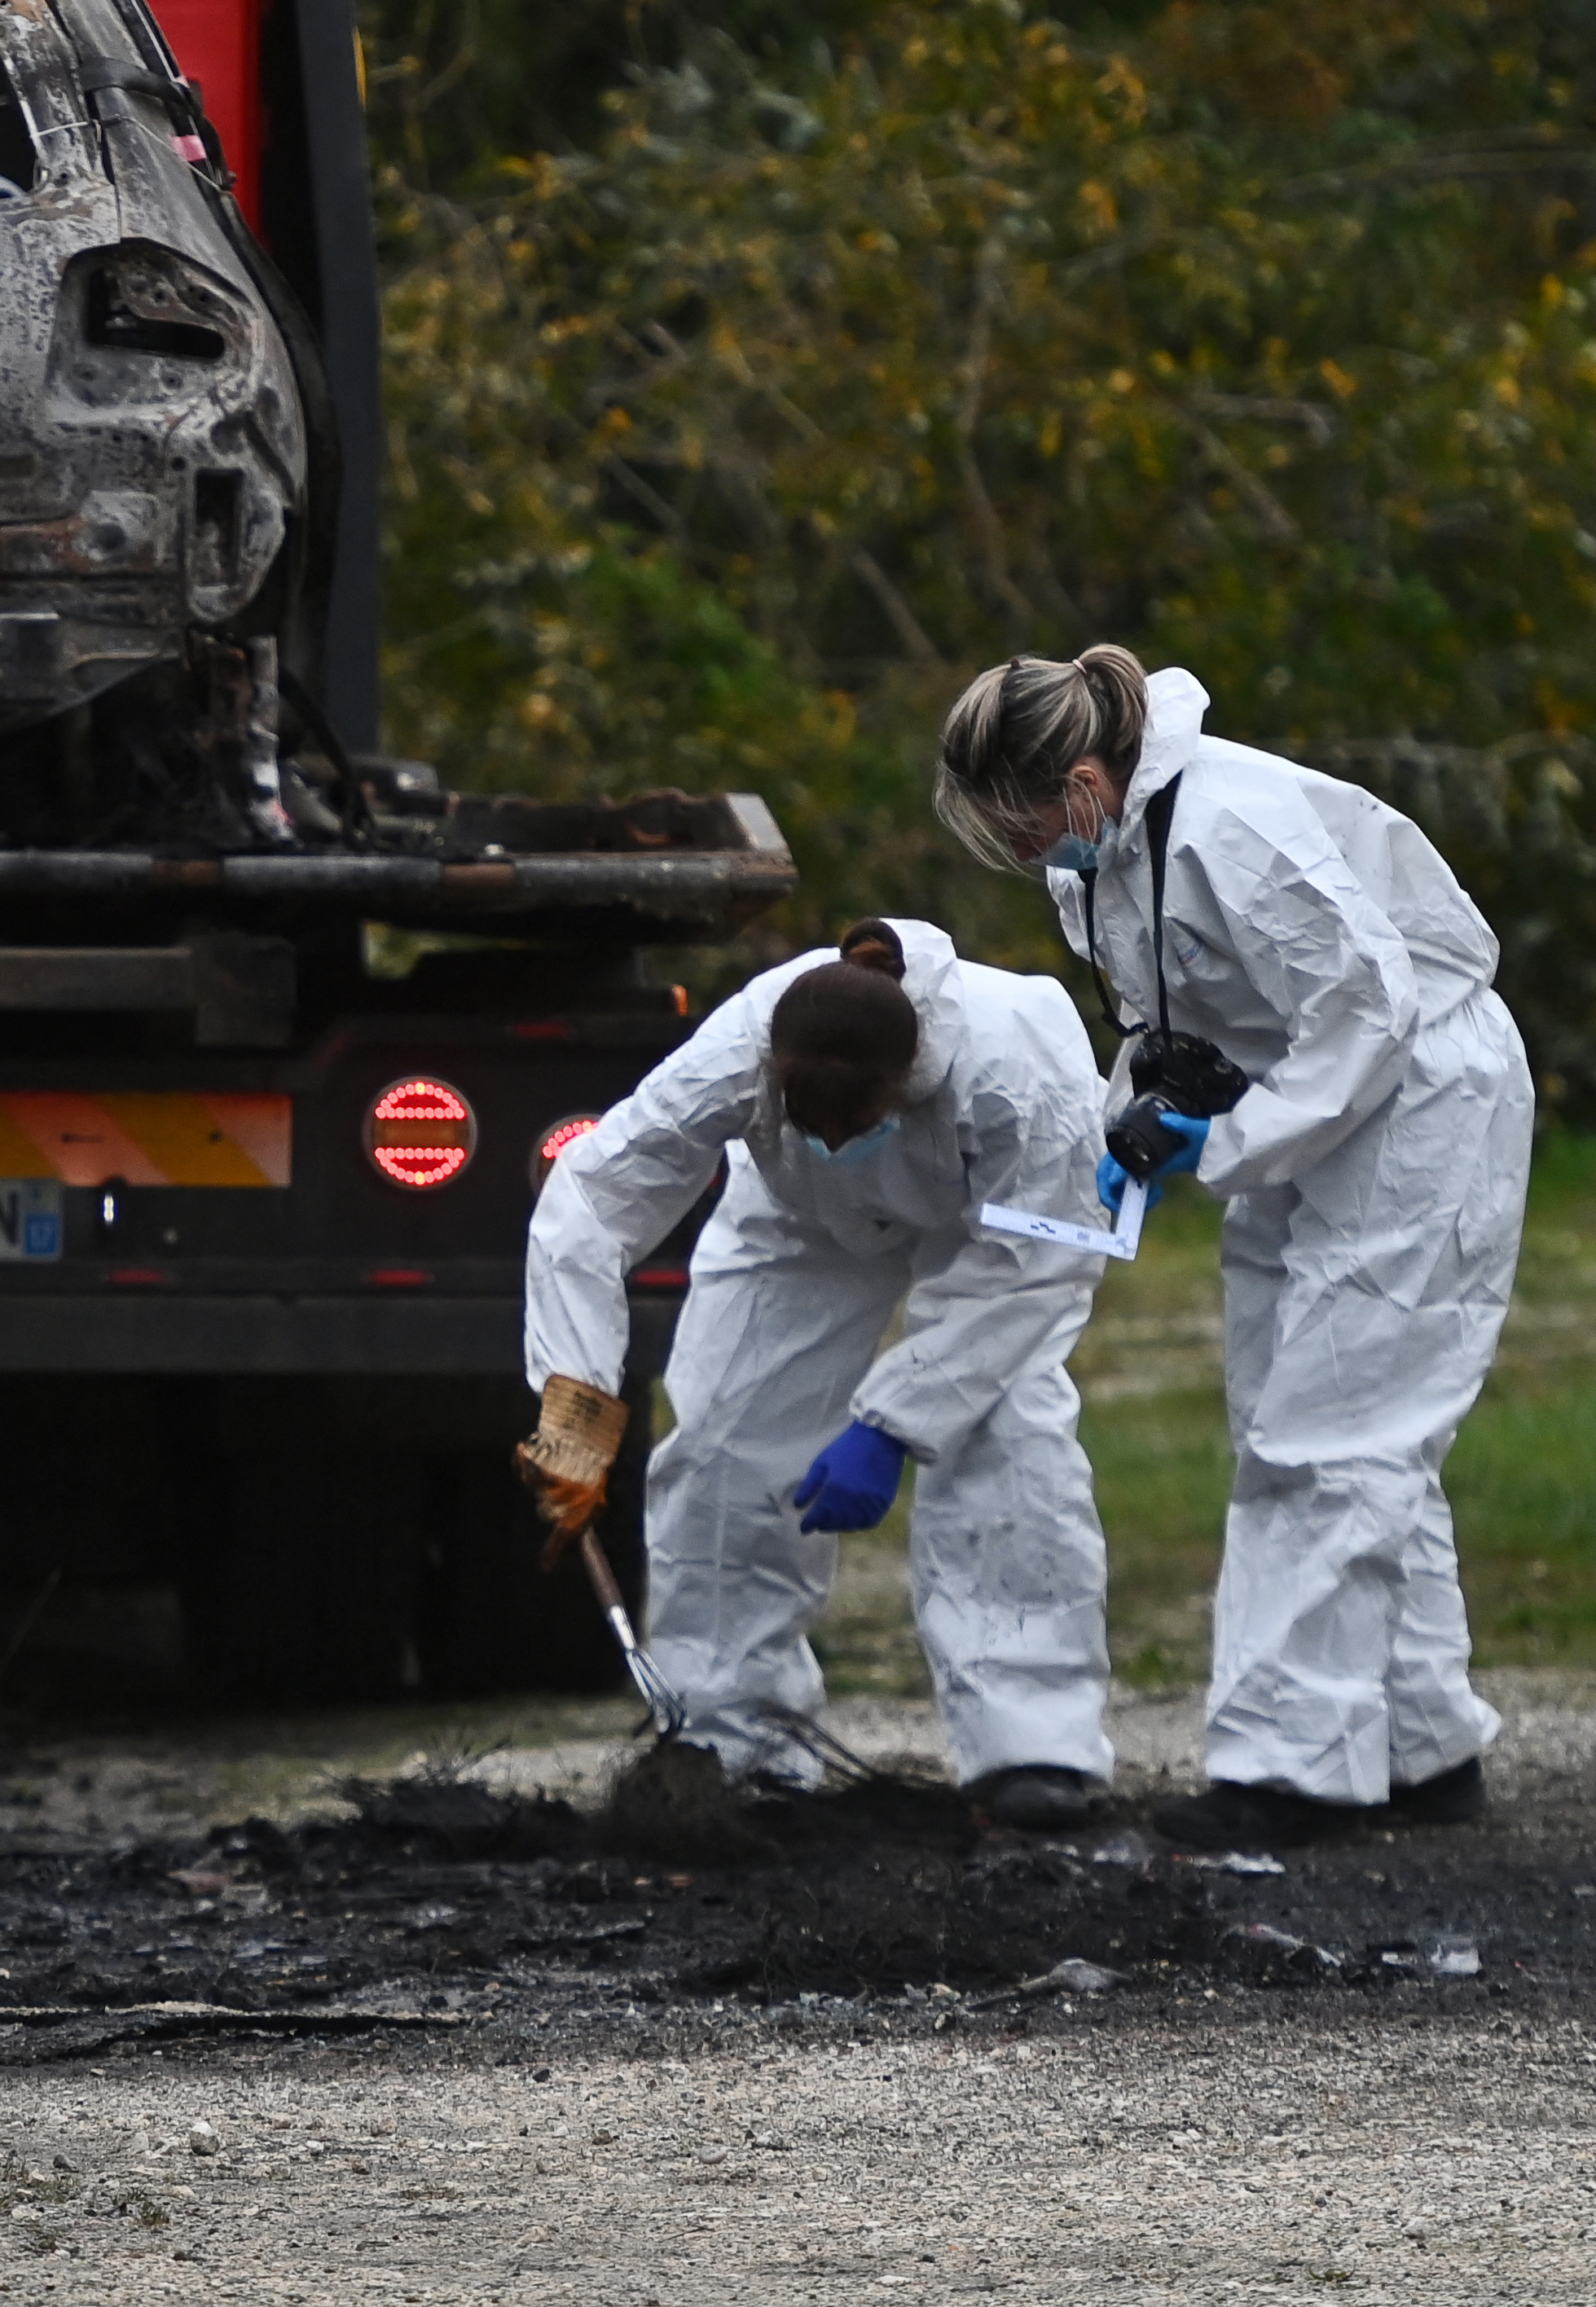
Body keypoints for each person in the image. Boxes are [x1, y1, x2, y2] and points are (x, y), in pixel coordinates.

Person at [933, 645, 1533, 1849]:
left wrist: (1225, 1143)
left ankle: (1287, 1772)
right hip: (1300, 1106)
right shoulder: (1105, 856)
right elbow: (1169, 1012)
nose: (1022, 855)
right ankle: (1421, 1749)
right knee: (1295, 1417)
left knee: (1337, 1429)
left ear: (1088, 781)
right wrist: (1138, 1119)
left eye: (1026, 826)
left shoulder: (1234, 828)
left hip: (1414, 1101)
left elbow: (1371, 1012)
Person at [517, 920, 1123, 1826]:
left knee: (1008, 1440)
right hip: (797, 1223)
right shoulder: (743, 1044)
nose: (839, 1141)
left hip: (986, 1231)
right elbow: (594, 1200)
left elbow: (1038, 1265)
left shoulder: (1019, 1062)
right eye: (816, 1124)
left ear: (906, 1086)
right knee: (723, 1448)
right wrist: (574, 1414)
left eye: (859, 1125)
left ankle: (1032, 1751)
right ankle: (733, 1738)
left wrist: (889, 1422)